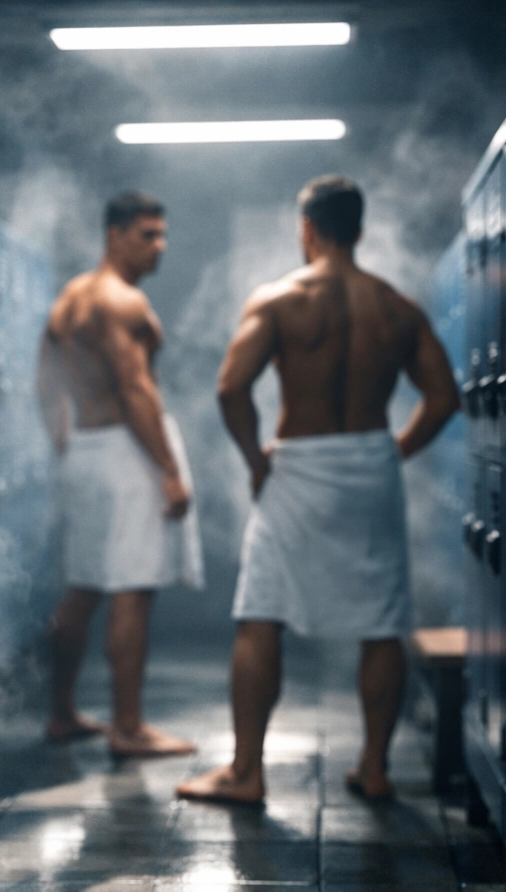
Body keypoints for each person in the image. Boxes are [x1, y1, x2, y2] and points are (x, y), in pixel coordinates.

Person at [178, 175, 460, 803]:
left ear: (306, 228)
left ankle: (247, 772)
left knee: (260, 616)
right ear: (357, 229)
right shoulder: (396, 307)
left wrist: (255, 459)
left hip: (298, 467)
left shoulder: (280, 300)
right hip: (369, 463)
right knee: (382, 622)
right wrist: (392, 450)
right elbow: (444, 398)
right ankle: (375, 767)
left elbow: (230, 388)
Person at [37, 190, 203, 757]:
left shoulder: (71, 297)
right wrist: (170, 471)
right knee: (133, 590)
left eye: (161, 234)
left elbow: (45, 376)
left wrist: (62, 435)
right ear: (115, 235)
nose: (160, 246)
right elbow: (137, 390)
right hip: (128, 453)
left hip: (86, 447)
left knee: (83, 588)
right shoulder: (122, 301)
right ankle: (128, 728)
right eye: (147, 235)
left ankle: (61, 713)